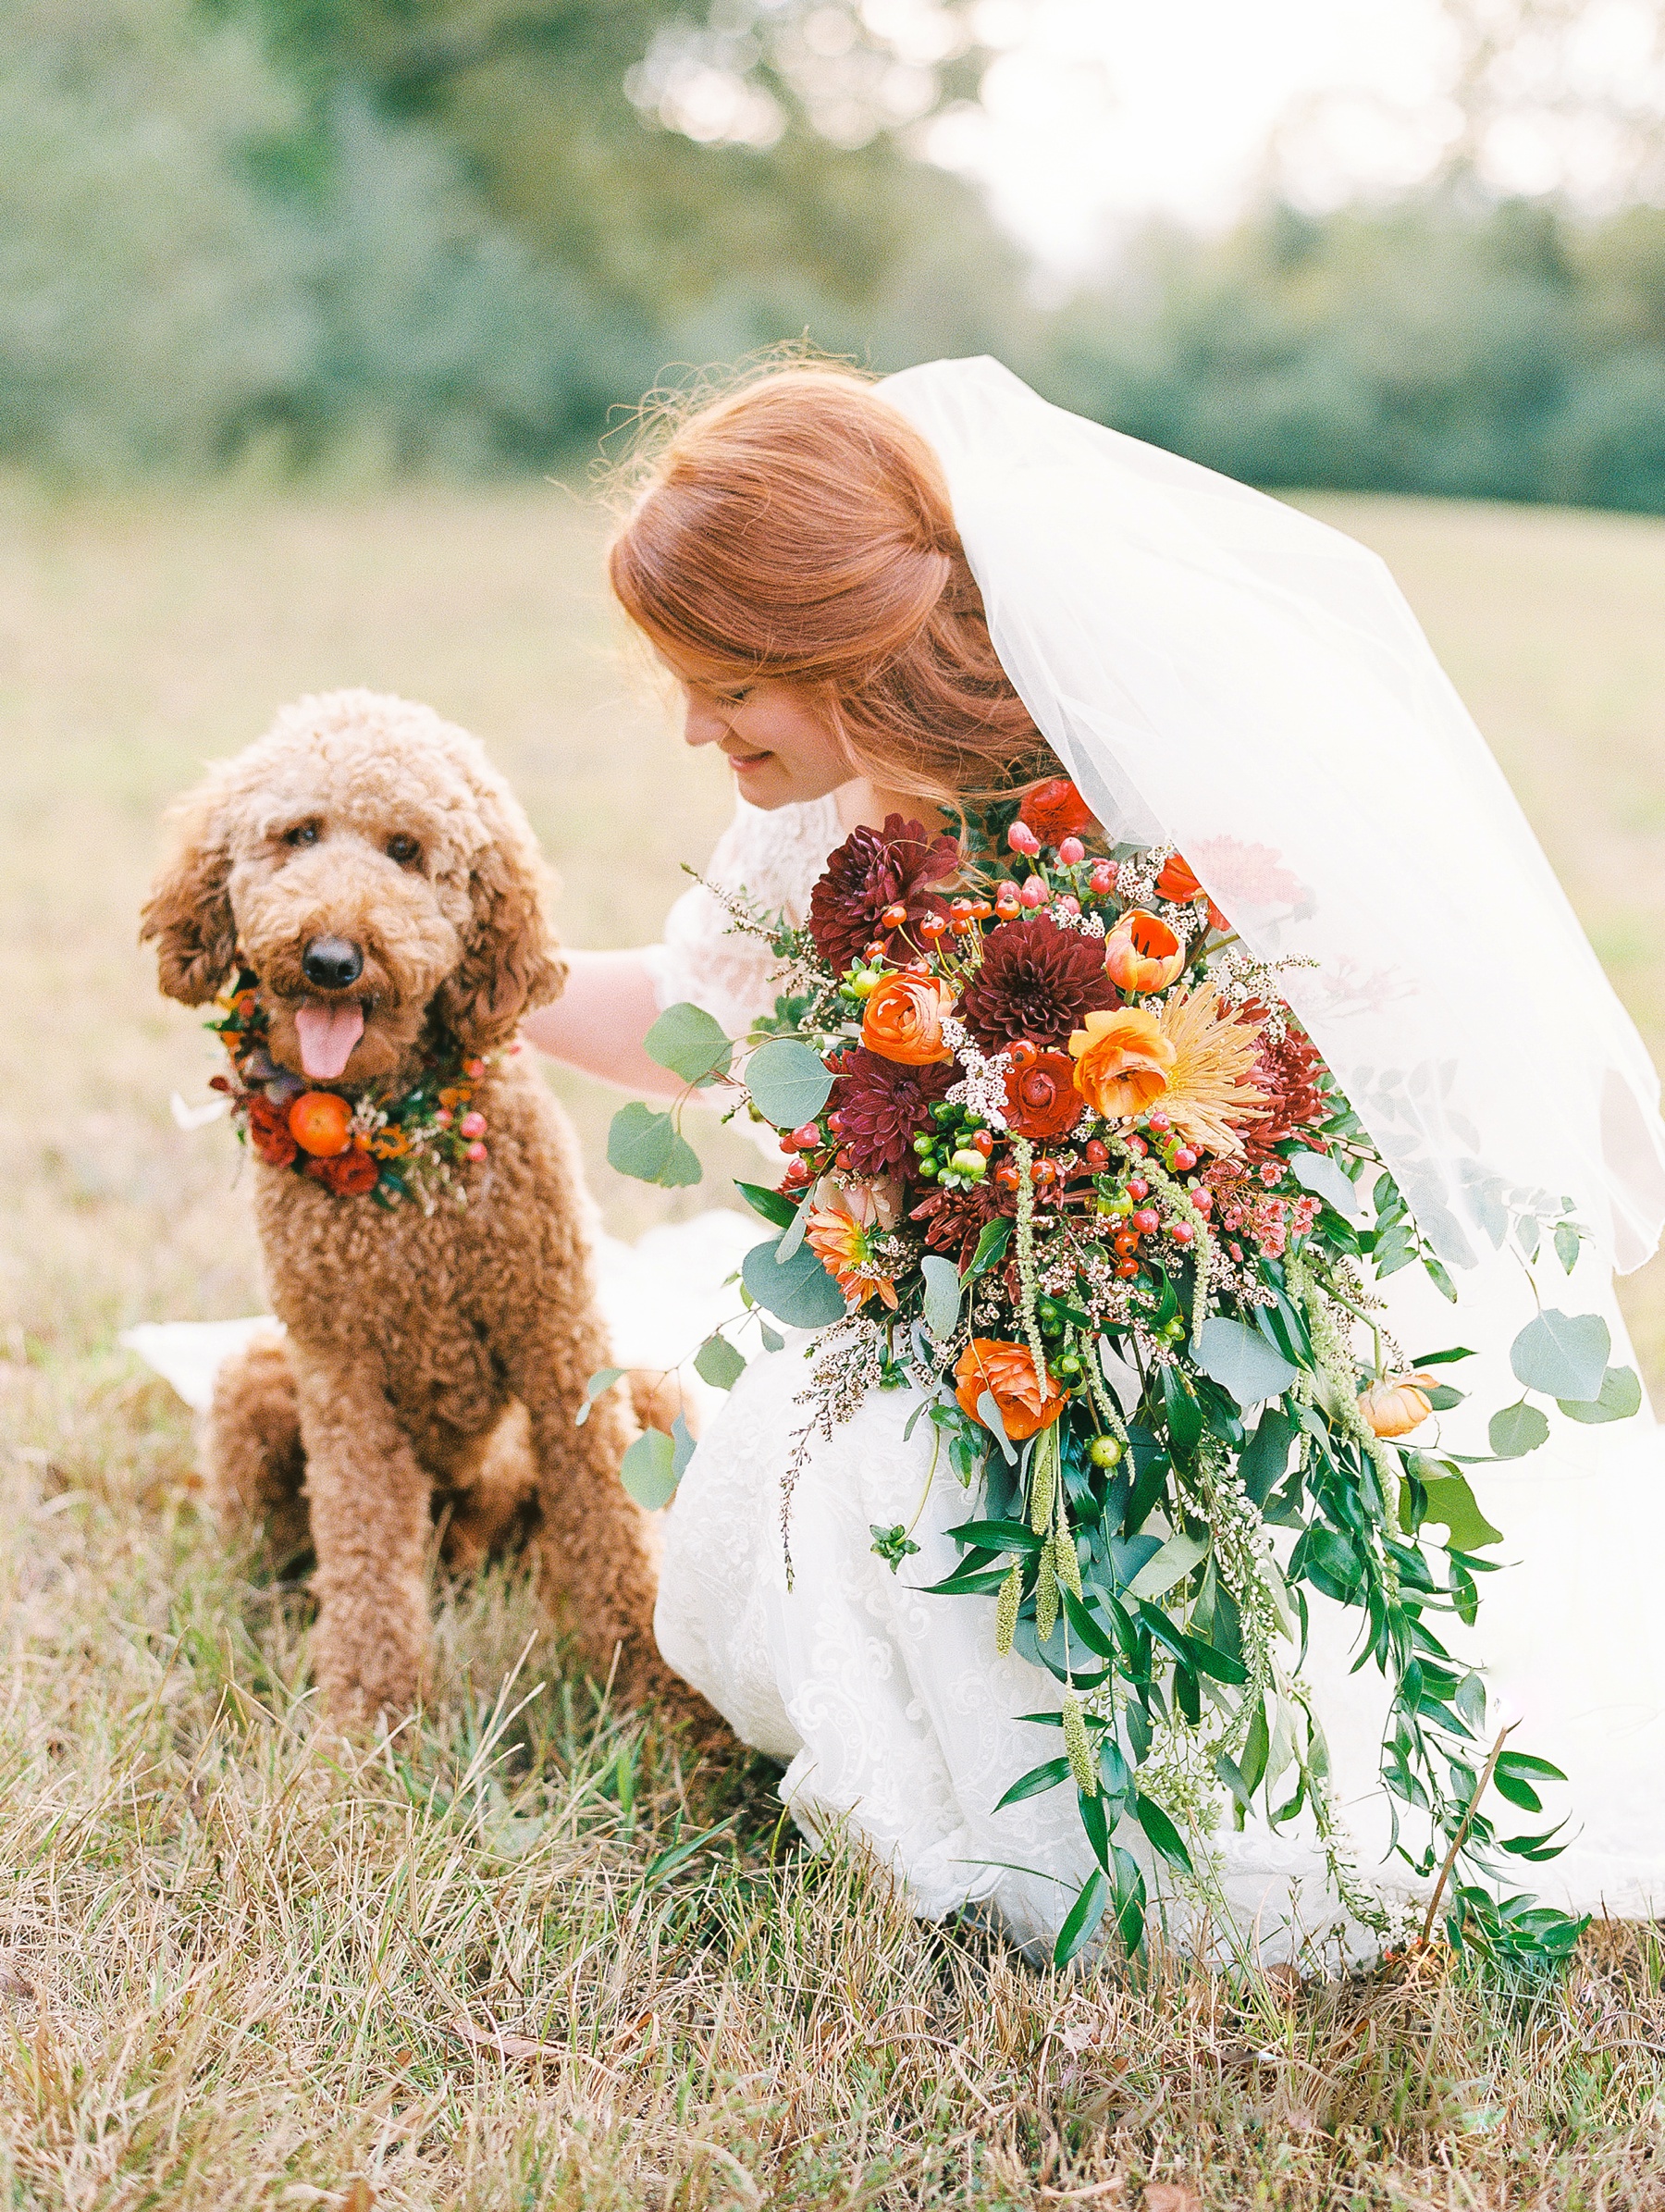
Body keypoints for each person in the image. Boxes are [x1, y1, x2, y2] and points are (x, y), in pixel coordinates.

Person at [528, 356, 1665, 1963]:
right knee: (838, 1483)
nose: (693, 726)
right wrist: (482, 973)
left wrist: (1142, 1227)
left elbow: (1361, 1056)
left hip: (1228, 1304)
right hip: (969, 1313)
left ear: (847, 648)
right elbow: (699, 1017)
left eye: (725, 682)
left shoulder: (1143, 766)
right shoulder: (815, 806)